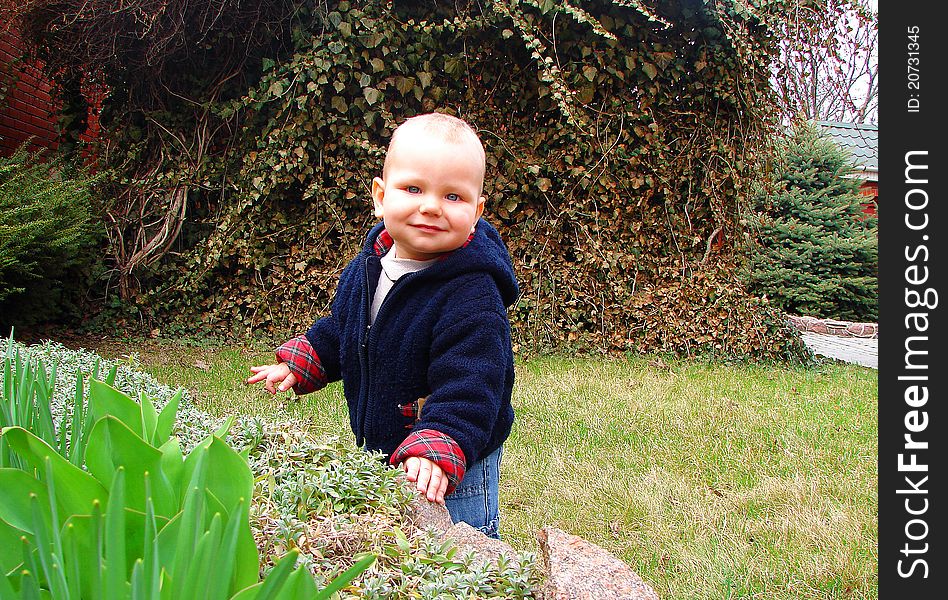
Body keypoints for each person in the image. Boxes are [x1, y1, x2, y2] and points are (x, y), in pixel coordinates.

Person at [246, 112, 519, 539]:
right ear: (380, 195)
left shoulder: (472, 293)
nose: (430, 206)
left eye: (453, 197)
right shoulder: (368, 267)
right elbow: (346, 330)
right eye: (413, 189)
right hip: (389, 443)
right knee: (403, 541)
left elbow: (473, 383)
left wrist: (440, 444)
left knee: (459, 543)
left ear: (477, 211)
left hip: (454, 451)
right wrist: (304, 361)